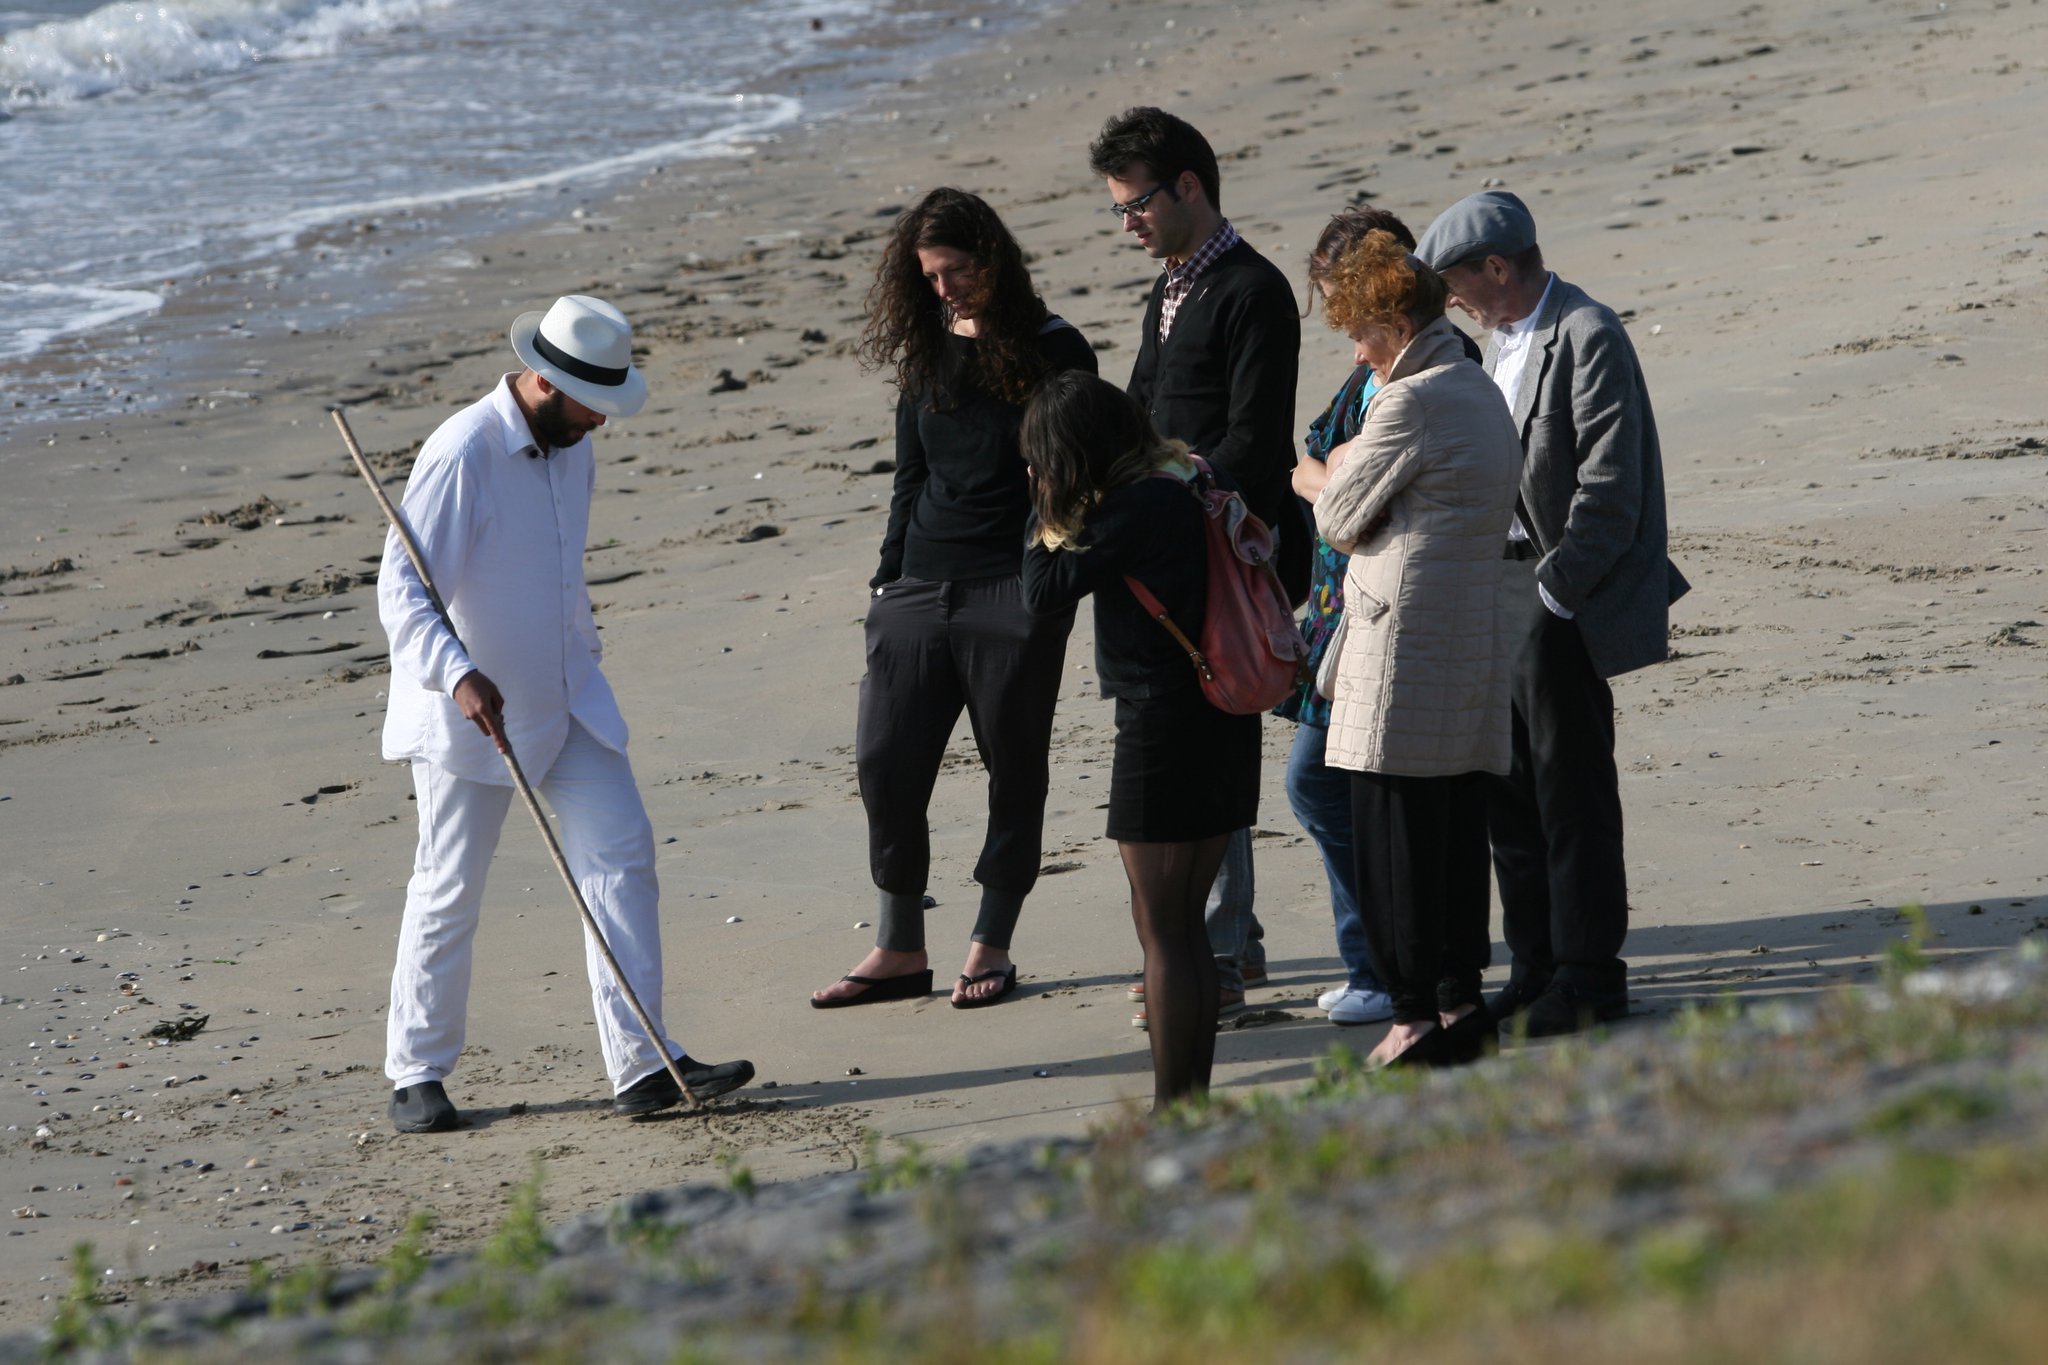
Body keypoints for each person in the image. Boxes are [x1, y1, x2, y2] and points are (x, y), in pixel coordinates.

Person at [377, 295, 754, 1134]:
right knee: (450, 887)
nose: (602, 422)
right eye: (593, 405)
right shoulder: (461, 453)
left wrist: (578, 637)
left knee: (622, 857)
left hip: (568, 694)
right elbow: (399, 589)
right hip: (470, 711)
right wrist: (458, 671)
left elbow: (557, 565)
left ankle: (644, 1062)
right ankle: (416, 1072)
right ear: (545, 383)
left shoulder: (571, 444)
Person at [811, 188, 1097, 1011]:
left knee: (1015, 773)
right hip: (915, 592)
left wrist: (1046, 582)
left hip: (1013, 592)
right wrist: (887, 579)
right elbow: (910, 478)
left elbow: (1078, 481)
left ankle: (991, 941)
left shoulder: (1055, 349)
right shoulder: (929, 353)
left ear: (994, 259)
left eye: (958, 270)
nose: (943, 288)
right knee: (884, 765)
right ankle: (899, 944)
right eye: (929, 275)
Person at [1415, 190, 1690, 1037]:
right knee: (1507, 797)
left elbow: (1612, 491)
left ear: (1496, 267)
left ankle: (1590, 976)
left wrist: (1550, 593)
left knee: (1571, 794)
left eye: (1457, 279)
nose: (1451, 296)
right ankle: (1535, 967)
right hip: (1489, 590)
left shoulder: (1587, 332)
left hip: (1552, 593)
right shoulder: (1494, 343)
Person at [1088, 106, 1300, 1022]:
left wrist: (1168, 485)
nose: (1127, 223)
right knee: (1183, 737)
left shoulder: (1253, 289)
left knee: (1219, 728)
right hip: (1166, 549)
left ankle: (1219, 946)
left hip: (1227, 553)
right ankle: (1213, 944)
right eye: (1118, 210)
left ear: (1188, 187)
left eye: (1134, 205)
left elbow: (1256, 441)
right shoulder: (1167, 289)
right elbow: (1141, 410)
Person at [1020, 372, 1261, 1107]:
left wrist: (1044, 506)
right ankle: (1188, 1100)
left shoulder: (1132, 510)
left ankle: (1173, 1106)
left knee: (1164, 930)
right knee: (1187, 928)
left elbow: (1040, 589)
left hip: (1162, 724)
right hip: (1223, 714)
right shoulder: (1186, 479)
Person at [1311, 232, 1522, 1069]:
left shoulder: (1410, 399)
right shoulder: (1475, 386)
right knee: (1454, 836)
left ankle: (1410, 1013)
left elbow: (1335, 515)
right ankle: (1459, 999)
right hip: (1464, 639)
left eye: (1361, 332)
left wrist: (1331, 463)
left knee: (1392, 840)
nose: (1358, 353)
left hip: (1397, 649)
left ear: (1394, 323)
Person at [1282, 206, 1480, 1029]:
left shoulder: (1428, 375)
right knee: (1344, 788)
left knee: (1338, 787)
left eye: (1347, 310)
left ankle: (1399, 971)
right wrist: (1325, 474)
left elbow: (1341, 498)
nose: (1348, 338)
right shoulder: (1392, 370)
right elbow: (1332, 466)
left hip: (1388, 611)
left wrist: (1317, 478)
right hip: (1342, 609)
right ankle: (1381, 963)